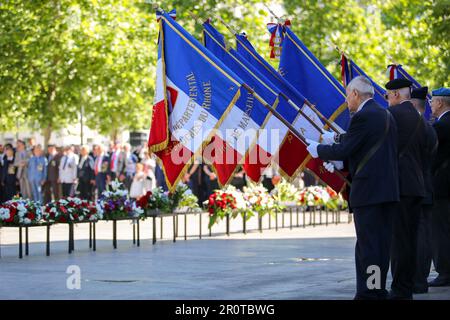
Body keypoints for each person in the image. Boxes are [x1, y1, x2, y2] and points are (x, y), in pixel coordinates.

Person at [306, 76, 399, 299]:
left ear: (355, 94)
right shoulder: (384, 113)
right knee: (380, 246)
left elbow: (346, 149)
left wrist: (319, 149)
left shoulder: (363, 116)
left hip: (369, 192)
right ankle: (377, 288)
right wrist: (340, 155)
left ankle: (370, 292)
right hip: (387, 191)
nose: (347, 101)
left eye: (348, 95)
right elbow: (364, 148)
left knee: (368, 247)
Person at [384, 78, 428, 299]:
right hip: (418, 186)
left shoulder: (392, 116)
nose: (388, 100)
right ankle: (408, 286)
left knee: (398, 241)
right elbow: (431, 148)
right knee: (410, 240)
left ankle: (400, 289)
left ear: (395, 95)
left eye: (388, 96)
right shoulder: (422, 120)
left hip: (398, 186)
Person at [410, 87, 439, 293]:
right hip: (427, 185)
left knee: (418, 235)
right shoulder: (428, 126)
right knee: (425, 235)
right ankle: (421, 278)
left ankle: (418, 279)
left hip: (417, 186)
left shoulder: (418, 127)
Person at [428, 87, 450, 287]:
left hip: (442, 186)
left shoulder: (443, 125)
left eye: (432, 101)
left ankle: (444, 272)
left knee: (440, 231)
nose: (431, 105)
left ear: (441, 103)